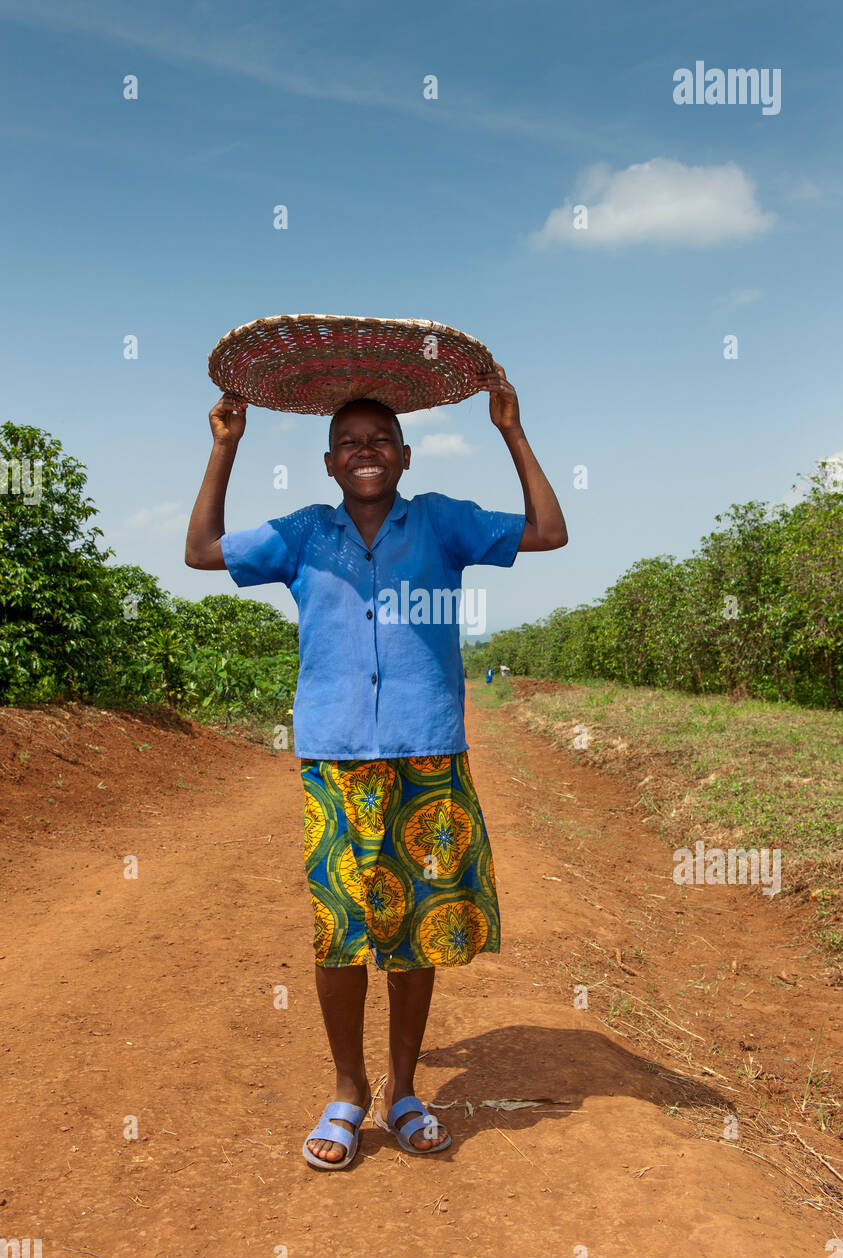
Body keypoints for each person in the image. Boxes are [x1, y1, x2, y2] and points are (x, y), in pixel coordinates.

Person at [185, 362, 567, 1169]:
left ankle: (401, 1090)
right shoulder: (301, 534)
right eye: (349, 443)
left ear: (403, 455)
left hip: (428, 753)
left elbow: (547, 532)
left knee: (416, 928)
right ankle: (346, 1089)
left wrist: (511, 431)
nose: (365, 452)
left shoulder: (441, 525)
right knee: (339, 931)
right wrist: (225, 446)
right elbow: (201, 552)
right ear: (330, 463)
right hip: (336, 761)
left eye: (380, 441)